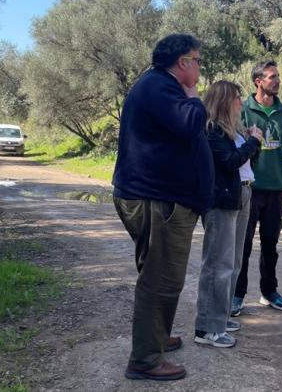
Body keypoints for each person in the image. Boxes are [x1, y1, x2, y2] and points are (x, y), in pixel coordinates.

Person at [112, 34, 213, 382]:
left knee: (157, 273)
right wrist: (196, 99)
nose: (200, 68)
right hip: (159, 201)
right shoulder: (161, 87)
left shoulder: (157, 86)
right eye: (198, 61)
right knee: (162, 279)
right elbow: (189, 123)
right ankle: (144, 359)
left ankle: (155, 337)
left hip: (157, 199)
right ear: (183, 62)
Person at [194, 81, 262, 348]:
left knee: (233, 263)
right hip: (221, 201)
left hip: (241, 194)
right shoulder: (211, 130)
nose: (241, 103)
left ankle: (219, 318)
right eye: (237, 98)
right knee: (217, 265)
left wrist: (250, 141)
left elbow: (244, 162)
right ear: (224, 100)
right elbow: (229, 161)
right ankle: (206, 328)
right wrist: (253, 142)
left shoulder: (233, 130)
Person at [232, 60, 282, 314]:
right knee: (244, 243)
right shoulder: (243, 110)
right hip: (250, 186)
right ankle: (237, 294)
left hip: (276, 186)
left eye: (278, 76)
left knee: (270, 243)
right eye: (271, 77)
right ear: (258, 81)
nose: (277, 81)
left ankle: (269, 292)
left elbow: (280, 143)